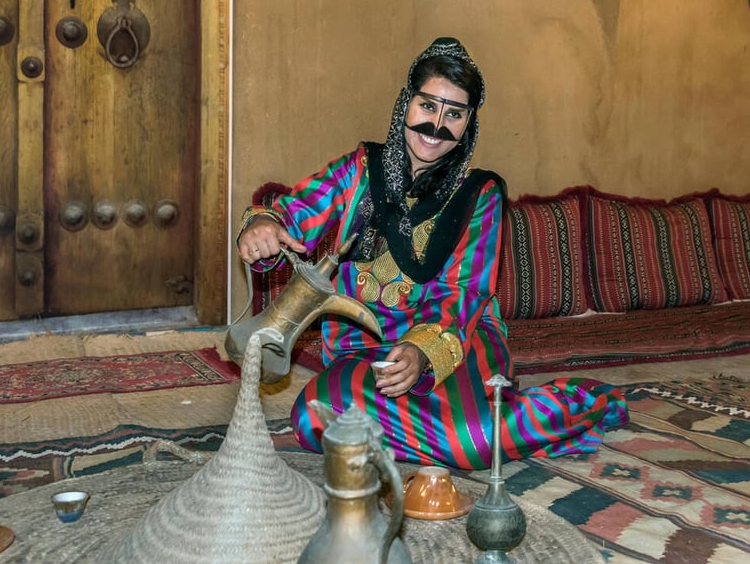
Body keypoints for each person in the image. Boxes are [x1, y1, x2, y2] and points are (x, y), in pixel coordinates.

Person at [236, 37, 628, 470]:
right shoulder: (360, 170)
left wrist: (422, 353)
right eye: (427, 106)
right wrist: (264, 227)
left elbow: (466, 291)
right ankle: (443, 421)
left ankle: (567, 405)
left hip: (455, 338)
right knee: (314, 421)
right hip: (365, 347)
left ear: (468, 126)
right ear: (406, 103)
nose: (436, 127)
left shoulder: (479, 195)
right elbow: (294, 216)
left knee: (472, 446)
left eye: (454, 114)